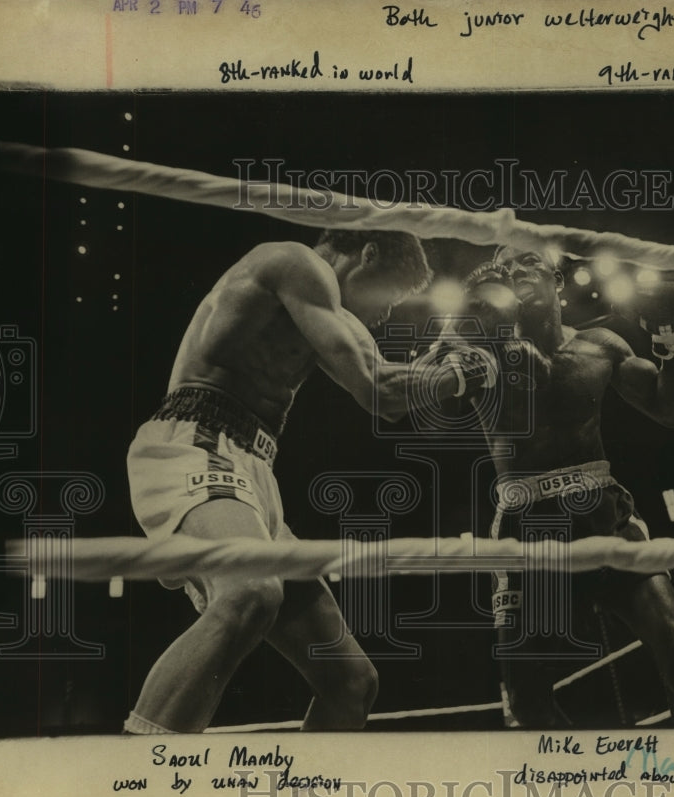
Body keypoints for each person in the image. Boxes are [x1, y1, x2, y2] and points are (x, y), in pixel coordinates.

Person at [124, 229, 484, 734]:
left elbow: (388, 394)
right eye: (392, 295)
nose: (386, 315)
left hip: (252, 472)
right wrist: (466, 371)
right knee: (251, 592)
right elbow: (381, 387)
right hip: (196, 443)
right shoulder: (295, 264)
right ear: (369, 254)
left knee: (352, 683)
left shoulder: (324, 308)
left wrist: (453, 360)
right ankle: (133, 778)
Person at [449, 247, 674, 727]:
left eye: (527, 261)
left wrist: (669, 334)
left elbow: (671, 410)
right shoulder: (483, 352)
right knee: (527, 699)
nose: (515, 271)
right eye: (505, 268)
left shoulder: (602, 345)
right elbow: (426, 388)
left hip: (603, 512)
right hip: (528, 523)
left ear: (557, 279)